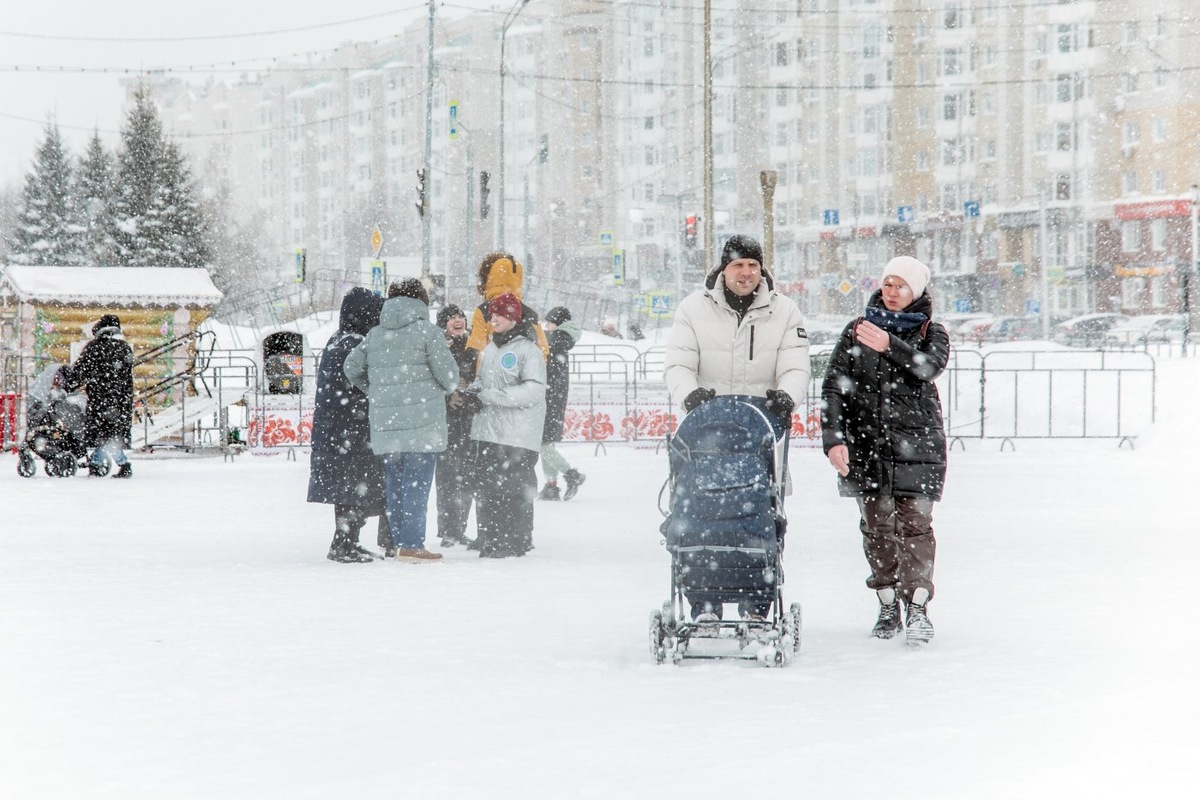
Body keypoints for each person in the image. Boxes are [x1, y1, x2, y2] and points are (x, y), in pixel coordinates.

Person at [662, 234, 810, 621]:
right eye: (738, 265)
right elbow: (678, 363)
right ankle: (704, 602)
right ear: (723, 269)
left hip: (760, 432)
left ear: (762, 269)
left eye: (753, 266)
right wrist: (689, 395)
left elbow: (796, 366)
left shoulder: (784, 311)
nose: (746, 273)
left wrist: (787, 396)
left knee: (758, 515)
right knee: (703, 517)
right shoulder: (693, 309)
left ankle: (757, 604)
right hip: (705, 433)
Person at [820, 256, 950, 646]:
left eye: (901, 286)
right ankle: (888, 601)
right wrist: (834, 438)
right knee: (877, 526)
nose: (892, 292)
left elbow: (930, 367)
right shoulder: (857, 330)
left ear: (916, 291)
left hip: (918, 445)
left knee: (916, 526)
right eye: (888, 284)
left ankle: (918, 605)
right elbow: (834, 386)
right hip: (868, 445)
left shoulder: (931, 331)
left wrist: (890, 345)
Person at [344, 279, 459, 563]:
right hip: (423, 424)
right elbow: (450, 378)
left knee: (395, 486)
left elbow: (351, 367)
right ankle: (412, 545)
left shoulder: (375, 334)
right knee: (416, 487)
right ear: (421, 302)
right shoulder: (429, 333)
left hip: (387, 426)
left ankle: (399, 543)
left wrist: (376, 391)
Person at [307, 288, 387, 563]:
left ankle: (347, 541)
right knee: (354, 488)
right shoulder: (354, 344)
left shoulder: (338, 339)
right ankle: (343, 545)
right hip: (350, 430)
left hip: (338, 430)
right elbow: (361, 386)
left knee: (349, 489)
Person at [468, 292, 547, 558]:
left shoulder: (528, 350)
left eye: (501, 315)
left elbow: (534, 391)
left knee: (514, 489)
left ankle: (516, 538)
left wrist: (490, 396)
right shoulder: (491, 347)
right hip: (489, 431)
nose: (495, 319)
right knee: (489, 488)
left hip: (517, 435)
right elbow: (484, 381)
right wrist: (474, 391)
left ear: (514, 319)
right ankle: (491, 536)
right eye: (492, 315)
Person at [68, 314, 135, 478]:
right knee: (110, 434)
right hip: (121, 400)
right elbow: (127, 376)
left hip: (101, 398)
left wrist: (70, 384)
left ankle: (119, 464)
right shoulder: (125, 348)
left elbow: (81, 370)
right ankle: (99, 463)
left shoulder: (95, 347)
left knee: (104, 434)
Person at [434, 303, 479, 548]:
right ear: (443, 324)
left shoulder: (473, 347)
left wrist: (469, 394)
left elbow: (480, 379)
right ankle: (448, 530)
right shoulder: (438, 348)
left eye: (460, 316)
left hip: (470, 420)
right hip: (446, 422)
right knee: (448, 476)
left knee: (468, 476)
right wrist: (447, 395)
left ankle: (460, 528)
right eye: (451, 317)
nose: (458, 320)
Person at [537, 306, 585, 502]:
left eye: (549, 322)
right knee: (545, 442)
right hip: (553, 398)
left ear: (557, 323)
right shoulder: (562, 339)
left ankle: (572, 474)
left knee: (541, 443)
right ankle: (551, 485)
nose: (546, 326)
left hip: (549, 398)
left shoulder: (557, 339)